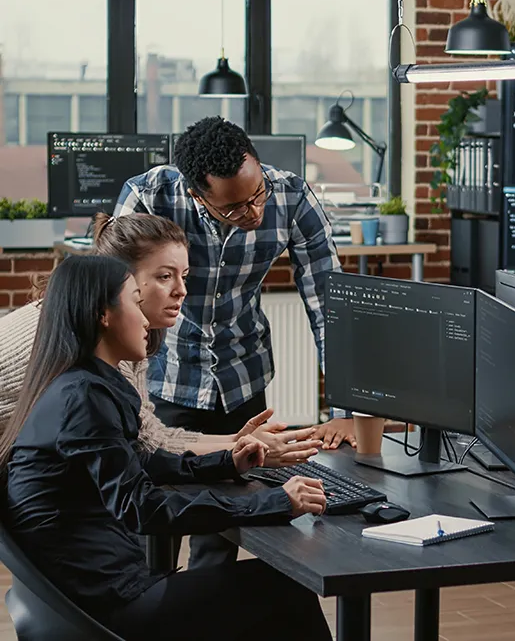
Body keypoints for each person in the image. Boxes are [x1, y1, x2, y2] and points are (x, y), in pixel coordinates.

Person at [0, 255, 332, 641]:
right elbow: (145, 509)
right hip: (109, 607)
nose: (145, 320)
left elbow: (141, 463)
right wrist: (275, 503)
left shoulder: (80, 385)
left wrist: (227, 463)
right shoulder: (83, 399)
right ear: (102, 315)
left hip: (91, 594)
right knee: (289, 589)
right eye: (135, 303)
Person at [115, 117, 353, 567]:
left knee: (223, 528)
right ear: (196, 193)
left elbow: (330, 306)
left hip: (242, 380)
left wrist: (346, 411)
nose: (255, 212)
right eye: (235, 208)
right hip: (165, 379)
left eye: (257, 192)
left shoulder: (290, 195)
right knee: (150, 524)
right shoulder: (150, 196)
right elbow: (115, 300)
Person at [0, 213, 322, 468]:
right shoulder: (98, 334)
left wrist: (236, 439)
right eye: (165, 276)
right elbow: (147, 445)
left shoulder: (128, 326)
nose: (181, 290)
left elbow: (151, 433)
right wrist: (238, 446)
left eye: (184, 275)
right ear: (123, 278)